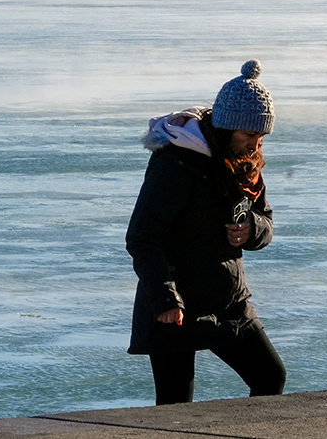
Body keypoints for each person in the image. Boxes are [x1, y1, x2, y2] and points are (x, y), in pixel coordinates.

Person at [126, 59, 287, 405]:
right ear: (228, 127)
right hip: (175, 303)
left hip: (228, 298)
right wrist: (166, 297)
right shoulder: (176, 165)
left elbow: (265, 220)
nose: (255, 144)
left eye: (261, 136)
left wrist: (252, 230)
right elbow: (142, 236)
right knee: (174, 407)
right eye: (249, 135)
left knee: (270, 375)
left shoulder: (246, 163)